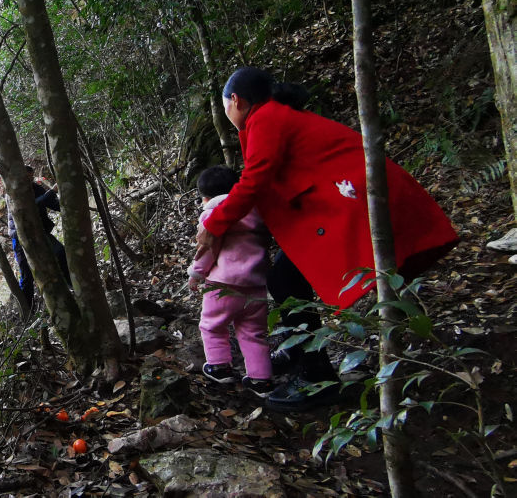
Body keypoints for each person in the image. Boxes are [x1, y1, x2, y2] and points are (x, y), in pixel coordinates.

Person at [195, 67, 458, 411]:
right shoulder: (270, 118)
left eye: (225, 104)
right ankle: (299, 348)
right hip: (344, 200)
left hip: (353, 198)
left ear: (235, 100)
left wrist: (214, 223)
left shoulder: (266, 118)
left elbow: (256, 178)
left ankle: (316, 375)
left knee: (284, 278)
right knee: (284, 277)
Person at [188, 165, 273, 398]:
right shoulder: (256, 211)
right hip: (256, 283)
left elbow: (206, 250)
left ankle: (219, 366)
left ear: (205, 198)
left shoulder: (212, 215)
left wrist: (196, 274)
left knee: (212, 325)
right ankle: (261, 379)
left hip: (222, 284)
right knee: (253, 331)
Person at [8, 164, 71, 308]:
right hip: (20, 236)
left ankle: (70, 285)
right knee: (26, 274)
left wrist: (67, 202)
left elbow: (53, 204)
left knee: (60, 253)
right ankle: (27, 308)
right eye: (27, 177)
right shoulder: (12, 192)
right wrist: (51, 192)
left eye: (31, 177)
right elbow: (29, 208)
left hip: (40, 231)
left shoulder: (36, 188)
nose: (29, 180)